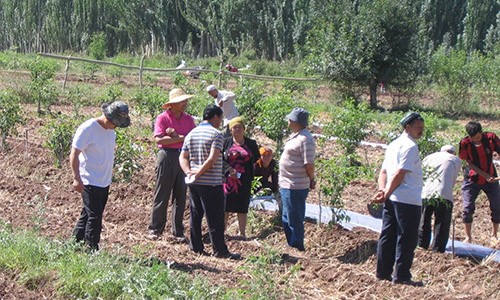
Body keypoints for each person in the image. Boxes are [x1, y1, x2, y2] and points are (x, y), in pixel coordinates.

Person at [179, 104, 241, 260]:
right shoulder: (216, 134)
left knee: (196, 213)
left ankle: (196, 246)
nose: (220, 122)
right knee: (215, 217)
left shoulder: (191, 134)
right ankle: (220, 250)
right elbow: (213, 158)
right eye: (220, 118)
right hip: (211, 182)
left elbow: (183, 157)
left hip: (194, 182)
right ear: (215, 117)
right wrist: (200, 172)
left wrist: (189, 172)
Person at [70, 101, 131, 251]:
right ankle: (92, 249)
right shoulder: (88, 128)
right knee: (95, 217)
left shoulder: (111, 131)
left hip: (104, 181)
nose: (116, 126)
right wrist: (77, 178)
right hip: (89, 180)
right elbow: (74, 153)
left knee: (88, 213)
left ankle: (75, 242)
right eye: (115, 123)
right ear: (108, 117)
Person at [373, 111, 424, 286]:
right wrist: (385, 192)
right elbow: (399, 173)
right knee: (407, 237)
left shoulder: (393, 144)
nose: (421, 131)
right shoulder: (410, 146)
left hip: (392, 197)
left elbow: (384, 172)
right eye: (418, 127)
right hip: (407, 199)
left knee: (388, 234)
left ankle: (382, 272)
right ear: (407, 127)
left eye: (422, 128)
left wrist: (383, 190)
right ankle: (401, 276)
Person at [147, 88, 196, 241]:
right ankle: (155, 229)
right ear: (172, 104)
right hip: (167, 156)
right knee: (162, 193)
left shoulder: (188, 119)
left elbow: (192, 138)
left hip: (184, 156)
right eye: (181, 101)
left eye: (185, 101)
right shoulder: (162, 118)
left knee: (181, 195)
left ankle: (178, 231)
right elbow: (159, 140)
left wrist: (175, 137)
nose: (184, 103)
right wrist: (182, 138)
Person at [279, 108, 316, 252]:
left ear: (296, 122)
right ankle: (291, 243)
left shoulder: (306, 140)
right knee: (287, 216)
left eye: (290, 119)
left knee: (294, 216)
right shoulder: (296, 136)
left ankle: (297, 245)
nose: (288, 121)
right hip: (286, 183)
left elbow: (309, 163)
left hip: (296, 185)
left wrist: (311, 179)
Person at [458, 121, 500, 245]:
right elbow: (468, 163)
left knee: (497, 206)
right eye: (473, 138)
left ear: (481, 132)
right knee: (467, 207)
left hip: (491, 177)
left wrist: (489, 175)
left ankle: (494, 235)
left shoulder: (491, 138)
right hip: (471, 179)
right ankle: (468, 237)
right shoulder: (465, 143)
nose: (476, 140)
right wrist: (485, 175)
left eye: (478, 137)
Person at [418, 145, 461, 253]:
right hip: (444, 194)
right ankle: (437, 249)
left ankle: (421, 245)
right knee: (442, 222)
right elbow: (452, 179)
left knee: (423, 220)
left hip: (426, 193)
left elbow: (421, 175)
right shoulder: (455, 160)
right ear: (453, 153)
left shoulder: (429, 157)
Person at [222, 117, 260, 239]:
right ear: (230, 129)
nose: (237, 129)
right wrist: (229, 170)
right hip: (228, 181)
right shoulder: (225, 142)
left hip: (244, 180)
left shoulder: (251, 144)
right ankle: (222, 232)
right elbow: (220, 160)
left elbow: (256, 159)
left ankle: (242, 233)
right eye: (234, 127)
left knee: (242, 207)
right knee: (225, 206)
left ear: (244, 129)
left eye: (239, 127)